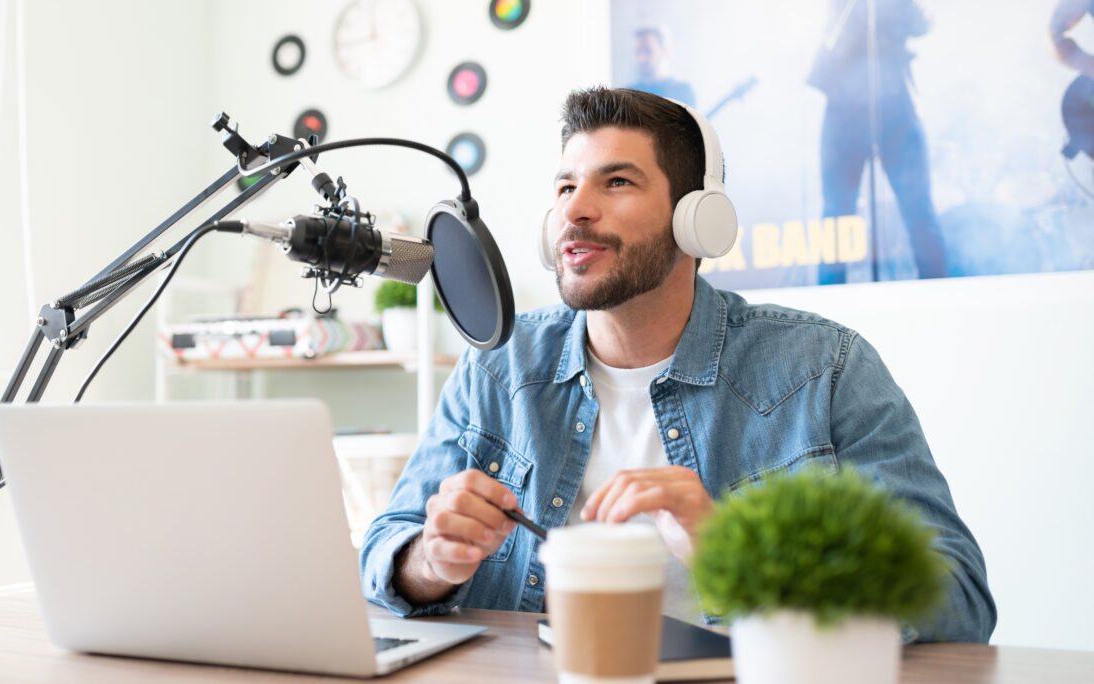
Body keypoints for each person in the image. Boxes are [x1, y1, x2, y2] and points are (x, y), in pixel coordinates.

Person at [359, 87, 996, 643]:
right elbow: (386, 552)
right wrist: (430, 563)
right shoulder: (498, 367)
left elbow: (957, 594)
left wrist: (741, 558)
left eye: (616, 182)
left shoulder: (824, 368)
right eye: (564, 187)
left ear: (697, 220)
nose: (575, 209)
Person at [809, 0, 948, 284]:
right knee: (837, 216)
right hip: (844, 105)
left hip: (893, 103)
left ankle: (939, 294)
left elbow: (921, 23)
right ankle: (828, 306)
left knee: (918, 208)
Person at [627, 27, 696, 107]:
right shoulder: (628, 95)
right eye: (638, 51)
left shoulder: (683, 92)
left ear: (665, 51)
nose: (641, 58)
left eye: (648, 51)